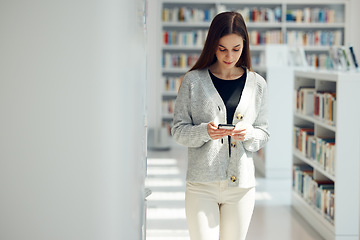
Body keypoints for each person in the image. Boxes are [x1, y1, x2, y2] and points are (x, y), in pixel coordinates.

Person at [171, 11, 270, 240]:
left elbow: (264, 133)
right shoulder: (193, 81)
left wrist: (249, 134)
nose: (229, 56)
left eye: (236, 49)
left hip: (241, 189)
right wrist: (204, 131)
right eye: (222, 48)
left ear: (244, 46)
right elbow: (178, 131)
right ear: (212, 45)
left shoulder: (258, 85)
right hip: (201, 185)